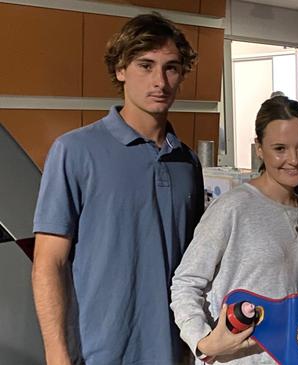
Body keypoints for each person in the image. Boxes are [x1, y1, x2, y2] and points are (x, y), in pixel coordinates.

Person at [31, 13, 204, 365]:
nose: (160, 81)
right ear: (121, 70)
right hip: (97, 352)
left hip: (170, 353)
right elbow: (49, 262)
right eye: (145, 65)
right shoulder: (75, 151)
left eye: (171, 68)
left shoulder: (187, 163)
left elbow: (192, 270)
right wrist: (56, 353)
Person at [170, 96, 298, 364]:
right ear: (259, 149)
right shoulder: (233, 208)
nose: (293, 159)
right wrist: (203, 342)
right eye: (280, 148)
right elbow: (186, 282)